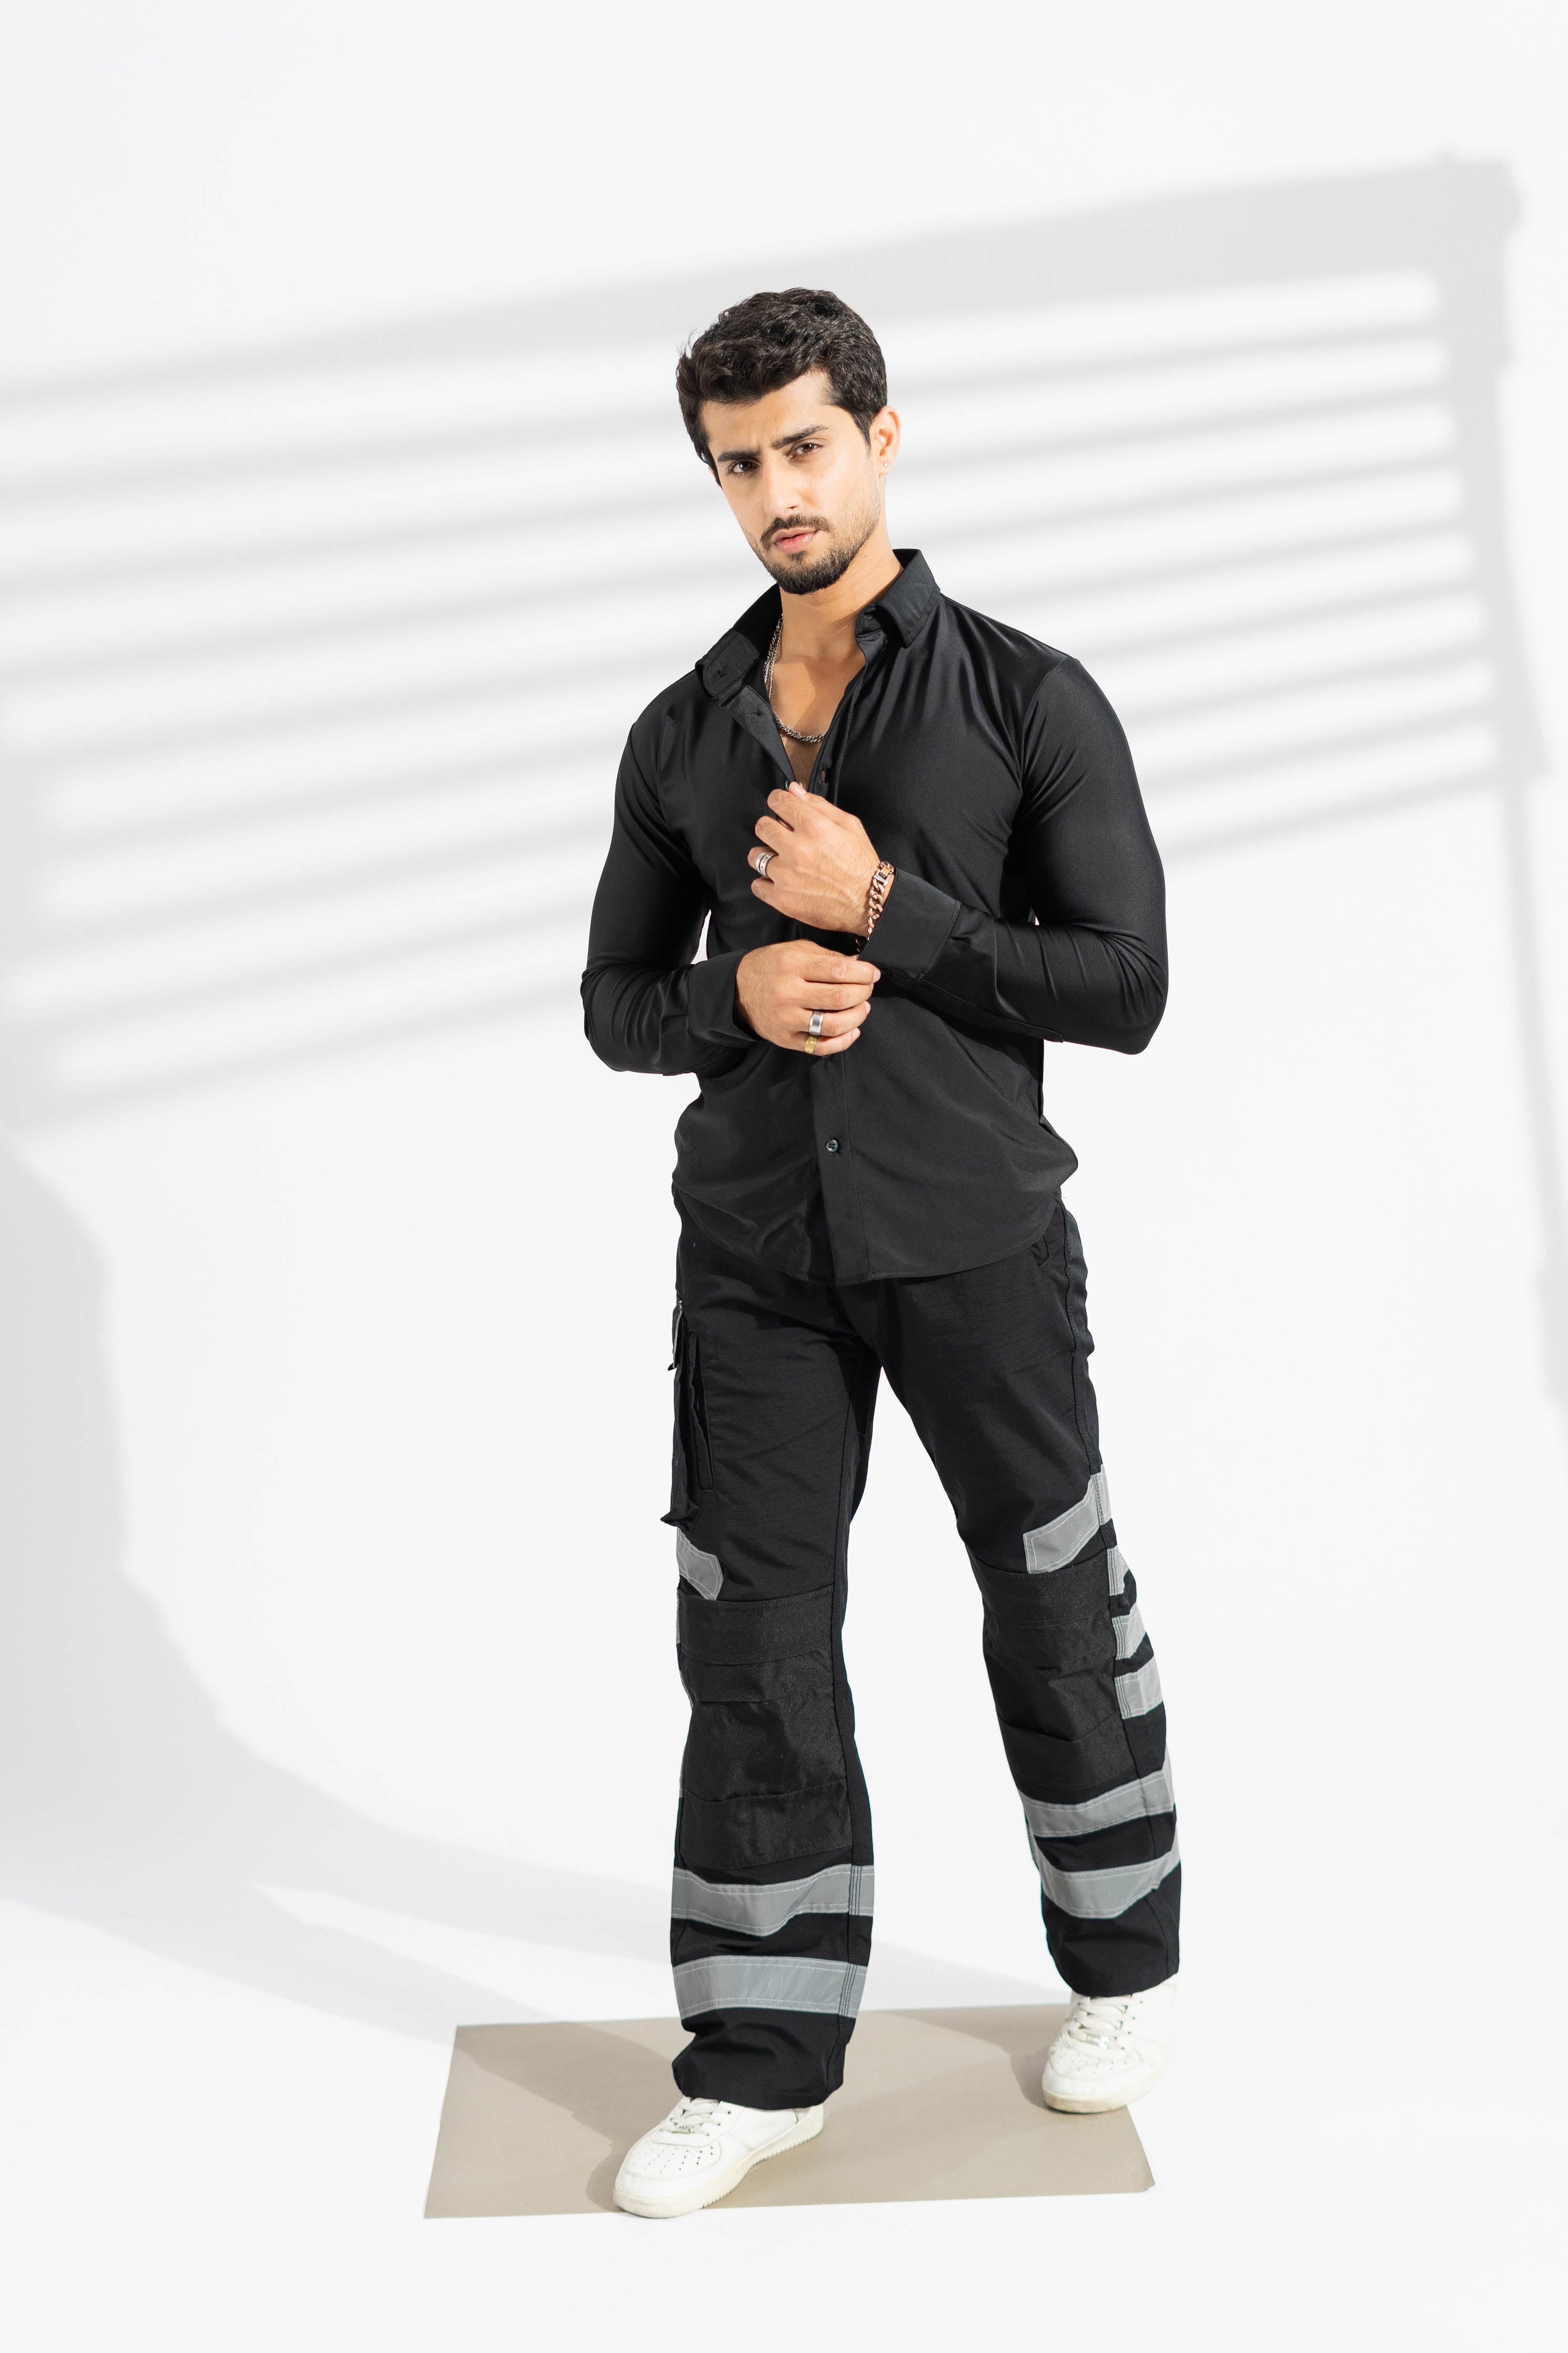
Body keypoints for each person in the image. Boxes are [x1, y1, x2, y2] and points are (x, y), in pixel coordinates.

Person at [581, 288, 1177, 2221]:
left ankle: (1119, 1971)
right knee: (751, 1644)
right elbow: (613, 1000)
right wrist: (733, 993)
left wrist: (891, 908)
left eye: (804, 447)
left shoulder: (1028, 697)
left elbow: (1129, 985)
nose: (776, 491)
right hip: (754, 1258)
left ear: (881, 437)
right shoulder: (682, 732)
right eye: (737, 465)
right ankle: (760, 2068)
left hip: (976, 1239)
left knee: (1055, 1591)